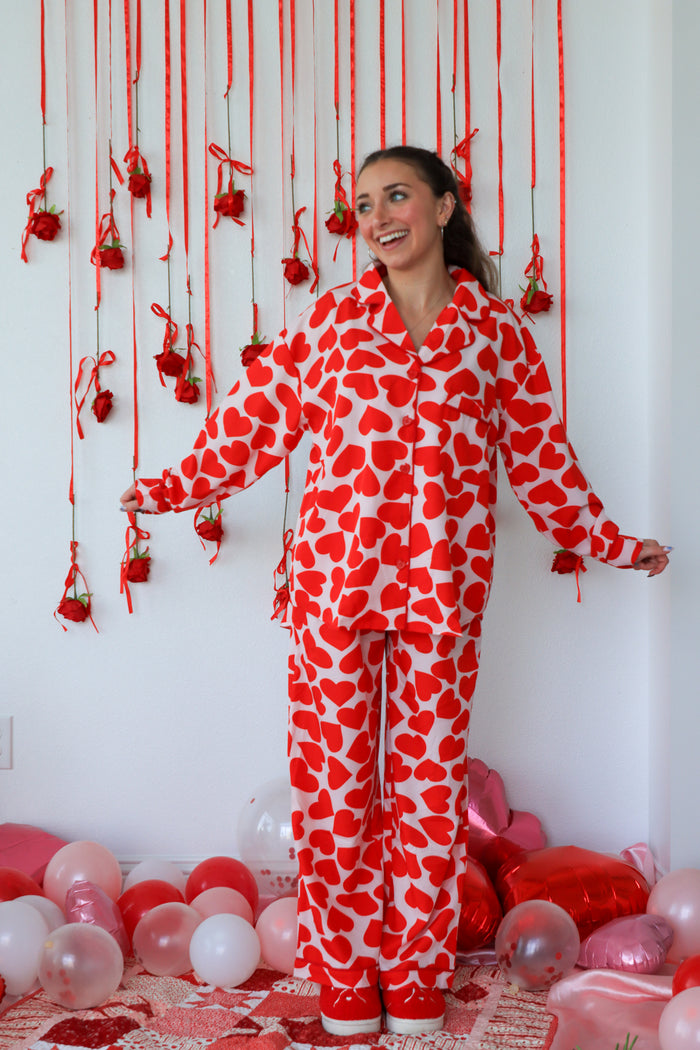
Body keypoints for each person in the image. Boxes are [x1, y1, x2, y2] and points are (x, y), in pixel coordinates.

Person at [121, 145, 669, 1037]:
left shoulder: (496, 333)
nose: (378, 216)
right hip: (335, 591)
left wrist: (610, 543)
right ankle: (346, 974)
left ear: (445, 206)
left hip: (443, 596)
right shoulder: (334, 321)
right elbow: (254, 421)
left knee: (427, 798)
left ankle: (414, 973)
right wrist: (172, 487)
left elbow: (543, 460)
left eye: (397, 195)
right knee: (335, 794)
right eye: (365, 202)